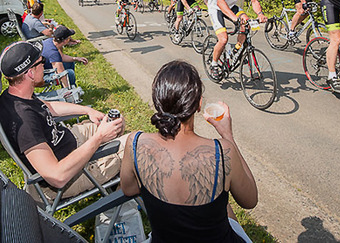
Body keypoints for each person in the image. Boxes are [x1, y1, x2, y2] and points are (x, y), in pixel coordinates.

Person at [121, 60, 256, 243]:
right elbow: (250, 200)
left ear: (157, 101)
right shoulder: (223, 152)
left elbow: (129, 189)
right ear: (199, 104)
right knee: (222, 203)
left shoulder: (135, 143)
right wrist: (227, 134)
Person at [0, 41, 127, 200]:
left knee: (115, 124)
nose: (45, 66)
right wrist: (99, 138)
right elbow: (57, 176)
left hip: (67, 140)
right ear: (30, 73)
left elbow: (49, 107)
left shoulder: (16, 94)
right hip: (68, 176)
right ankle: (118, 202)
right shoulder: (23, 122)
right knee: (135, 144)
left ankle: (116, 177)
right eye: (42, 62)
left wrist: (88, 110)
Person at [207, 0, 268, 80]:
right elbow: (220, 2)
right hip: (217, 7)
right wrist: (235, 19)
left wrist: (260, 14)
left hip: (232, 5)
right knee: (223, 39)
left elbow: (254, 1)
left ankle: (236, 51)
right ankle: (214, 64)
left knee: (246, 22)